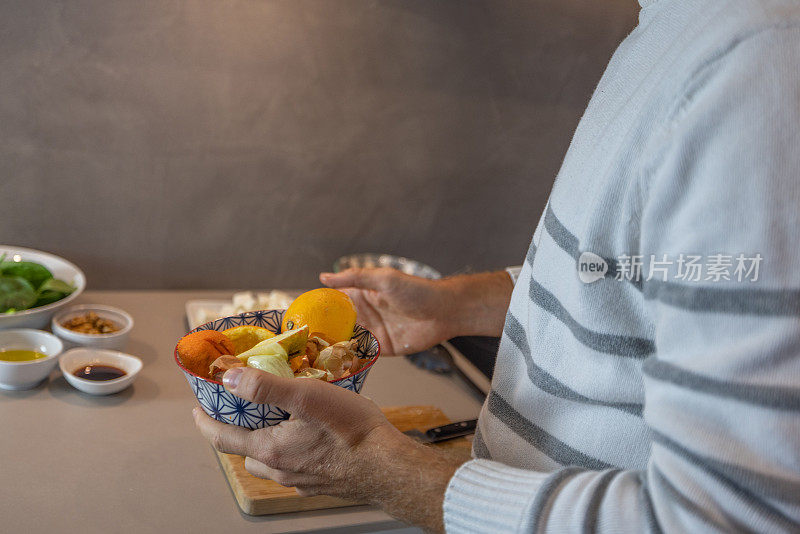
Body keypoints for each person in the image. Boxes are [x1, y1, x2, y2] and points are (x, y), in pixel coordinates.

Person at [194, 0, 800, 531]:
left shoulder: (758, 65)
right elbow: (640, 277)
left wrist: (386, 472)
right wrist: (459, 304)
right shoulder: (685, 29)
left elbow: (730, 519)